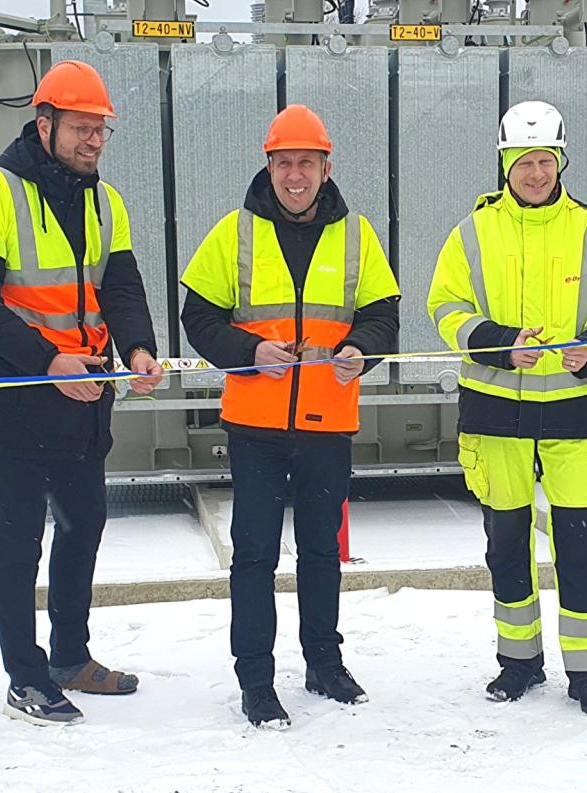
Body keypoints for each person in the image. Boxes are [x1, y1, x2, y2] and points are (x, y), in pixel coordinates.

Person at [0, 60, 164, 725]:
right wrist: (49, 360)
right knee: (18, 542)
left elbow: (120, 286)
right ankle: (26, 675)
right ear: (44, 124)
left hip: (81, 403)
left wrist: (138, 348)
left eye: (100, 130)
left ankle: (71, 656)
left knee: (82, 529)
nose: (93, 141)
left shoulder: (105, 201)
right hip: (14, 398)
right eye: (80, 128)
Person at [179, 104, 400, 729]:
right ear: (268, 166)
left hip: (328, 422)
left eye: (306, 162)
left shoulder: (356, 234)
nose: (295, 174)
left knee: (321, 552)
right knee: (253, 555)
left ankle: (324, 665)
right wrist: (249, 352)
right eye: (284, 163)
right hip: (255, 426)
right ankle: (256, 679)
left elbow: (384, 316)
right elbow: (198, 320)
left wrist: (363, 349)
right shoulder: (235, 233)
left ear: (326, 168)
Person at [427, 101, 587, 717]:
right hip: (496, 411)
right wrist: (496, 343)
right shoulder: (472, 231)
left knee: (581, 541)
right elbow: (445, 308)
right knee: (507, 542)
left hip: (572, 412)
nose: (535, 173)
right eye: (524, 162)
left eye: (545, 160)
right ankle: (517, 664)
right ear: (506, 164)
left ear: (561, 160)